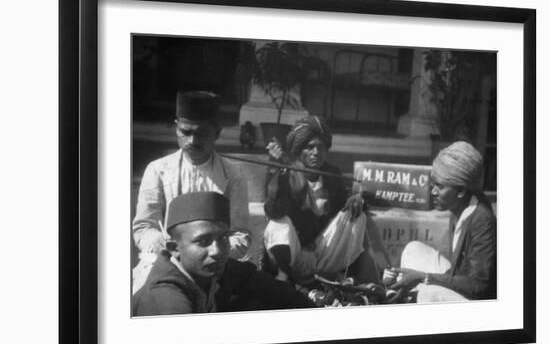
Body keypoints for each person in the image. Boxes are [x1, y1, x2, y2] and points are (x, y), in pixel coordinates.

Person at [132, 91, 250, 293]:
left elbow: (241, 235)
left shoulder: (233, 175)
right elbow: (144, 227)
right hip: (166, 261)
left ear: (217, 133)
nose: (192, 141)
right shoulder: (158, 170)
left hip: (215, 266)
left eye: (202, 133)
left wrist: (207, 255)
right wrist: (170, 250)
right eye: (185, 132)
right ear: (176, 128)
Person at [133, 192, 315, 315]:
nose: (217, 251)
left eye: (223, 238)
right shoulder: (165, 299)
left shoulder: (214, 268)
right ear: (174, 248)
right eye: (203, 242)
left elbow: (283, 293)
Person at [264, 115, 378, 284]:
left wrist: (355, 200)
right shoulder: (286, 172)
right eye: (310, 147)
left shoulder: (332, 173)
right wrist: (279, 168)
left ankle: (339, 275)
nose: (316, 153)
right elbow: (273, 210)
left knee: (357, 216)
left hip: (324, 254)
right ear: (299, 149)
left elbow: (343, 206)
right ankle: (284, 279)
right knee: (278, 223)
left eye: (322, 147)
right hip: (295, 254)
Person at [386, 141, 496, 302]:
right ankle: (406, 293)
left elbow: (478, 286)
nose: (433, 192)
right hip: (461, 283)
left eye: (440, 187)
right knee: (413, 249)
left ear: (461, 191)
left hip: (477, 302)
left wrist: (424, 277)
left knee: (428, 294)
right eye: (433, 185)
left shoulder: (482, 221)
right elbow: (456, 272)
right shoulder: (458, 210)